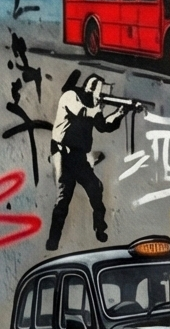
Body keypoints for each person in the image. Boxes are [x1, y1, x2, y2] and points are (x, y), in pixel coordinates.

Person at [46, 67, 125, 250]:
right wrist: (97, 103)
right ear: (89, 89)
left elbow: (104, 126)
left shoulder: (91, 106)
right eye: (95, 91)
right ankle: (53, 241)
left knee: (95, 188)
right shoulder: (71, 96)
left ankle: (100, 227)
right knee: (63, 198)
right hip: (63, 154)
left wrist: (119, 113)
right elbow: (82, 112)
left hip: (79, 157)